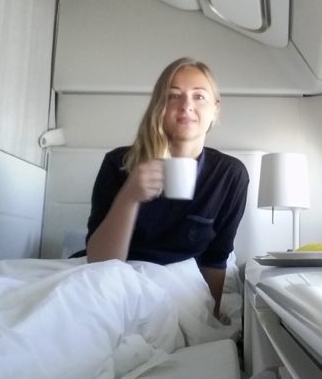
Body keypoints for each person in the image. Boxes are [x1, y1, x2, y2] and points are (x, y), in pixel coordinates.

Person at [76, 57, 249, 324]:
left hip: (175, 284)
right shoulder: (118, 163)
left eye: (199, 96)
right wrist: (130, 196)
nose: (187, 105)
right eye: (173, 96)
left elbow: (216, 258)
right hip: (112, 278)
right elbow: (99, 260)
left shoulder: (229, 175)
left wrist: (212, 313)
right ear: (160, 107)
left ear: (215, 109)